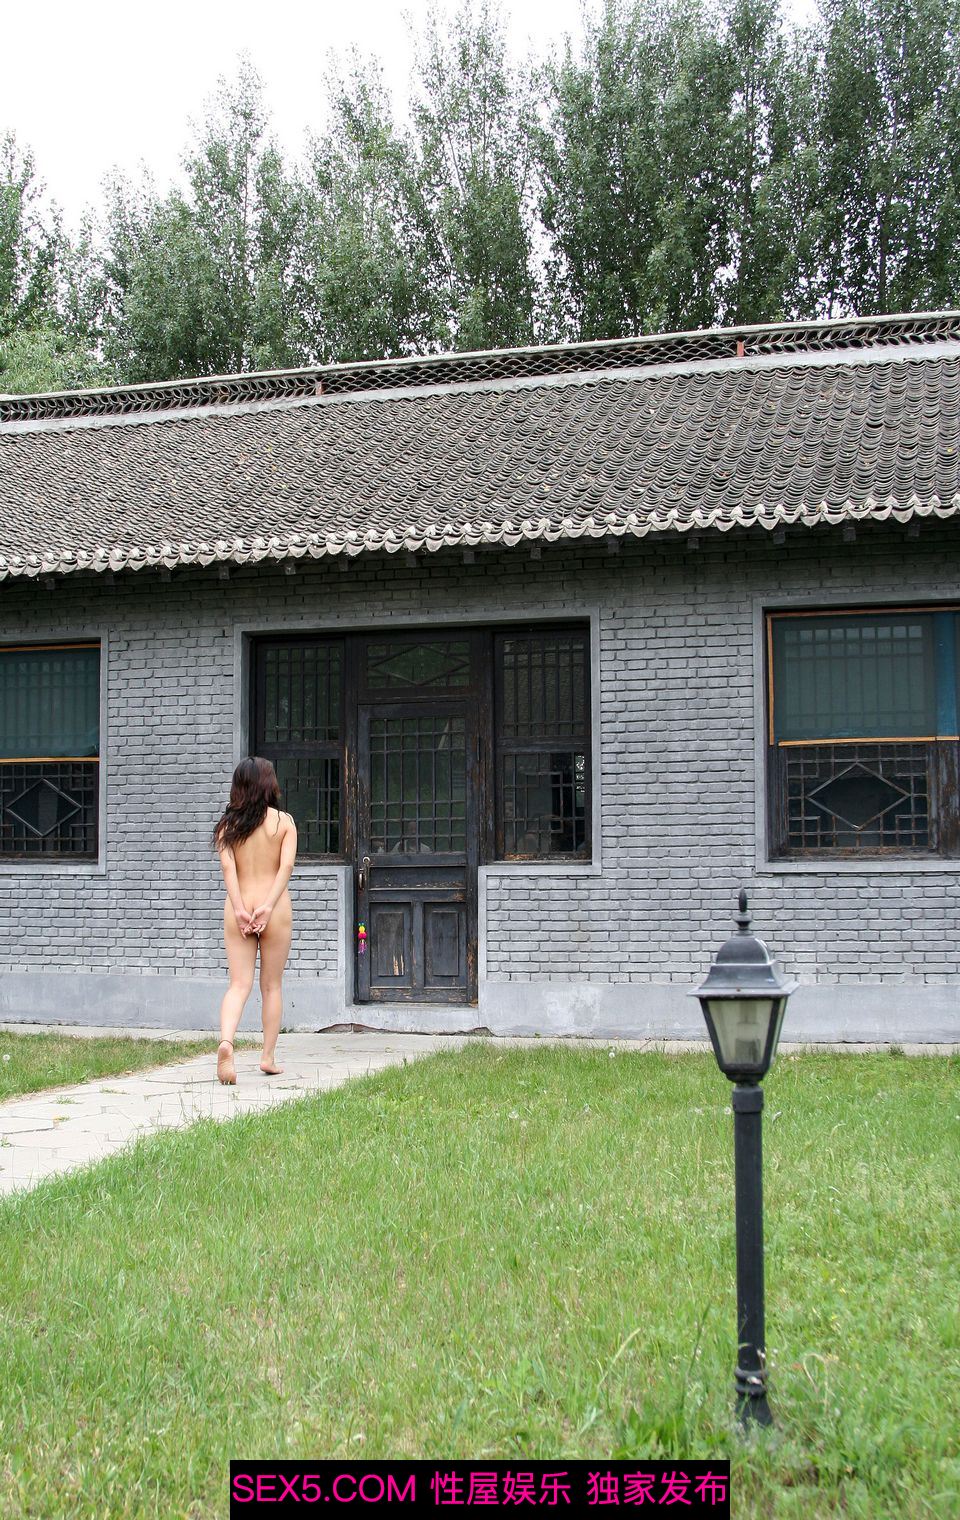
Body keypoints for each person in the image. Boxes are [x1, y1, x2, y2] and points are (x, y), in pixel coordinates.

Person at [211, 756, 297, 1085]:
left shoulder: (227, 826)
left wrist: (239, 908)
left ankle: (226, 1042)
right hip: (274, 909)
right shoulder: (284, 822)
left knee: (238, 984)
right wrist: (268, 906)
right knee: (271, 985)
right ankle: (267, 1057)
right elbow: (286, 867)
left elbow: (228, 869)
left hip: (239, 907)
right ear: (268, 784)